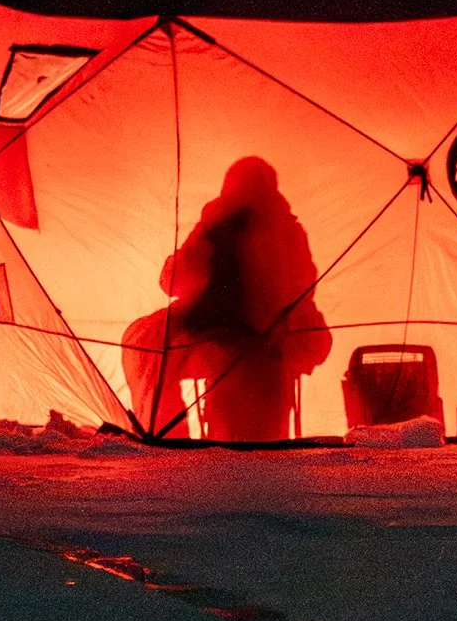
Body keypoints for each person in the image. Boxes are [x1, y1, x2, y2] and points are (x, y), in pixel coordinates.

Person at [123, 155, 330, 440]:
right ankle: (172, 439)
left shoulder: (220, 221)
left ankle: (168, 440)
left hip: (235, 343)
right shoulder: (287, 227)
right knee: (153, 348)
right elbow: (303, 287)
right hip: (265, 343)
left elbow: (174, 281)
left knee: (150, 350)